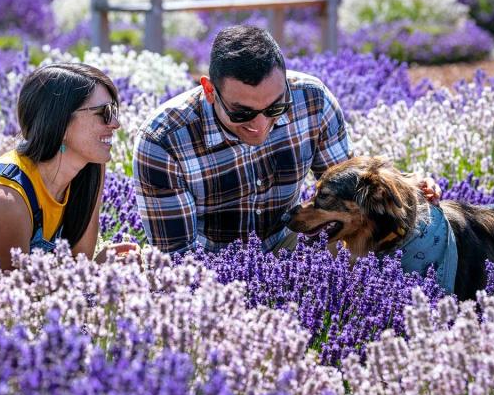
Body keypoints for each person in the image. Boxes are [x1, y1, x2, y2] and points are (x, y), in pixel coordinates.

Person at [133, 25, 438, 255]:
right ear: (210, 91)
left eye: (275, 108)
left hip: (291, 239)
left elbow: (348, 188)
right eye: (242, 113)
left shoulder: (311, 99)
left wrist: (407, 189)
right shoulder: (163, 142)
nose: (261, 124)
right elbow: (177, 260)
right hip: (211, 265)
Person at [0, 62, 137, 280]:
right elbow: (5, 302)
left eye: (114, 110)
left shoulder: (87, 173)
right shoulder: (4, 199)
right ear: (59, 121)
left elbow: (77, 267)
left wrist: (101, 267)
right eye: (104, 113)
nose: (115, 123)